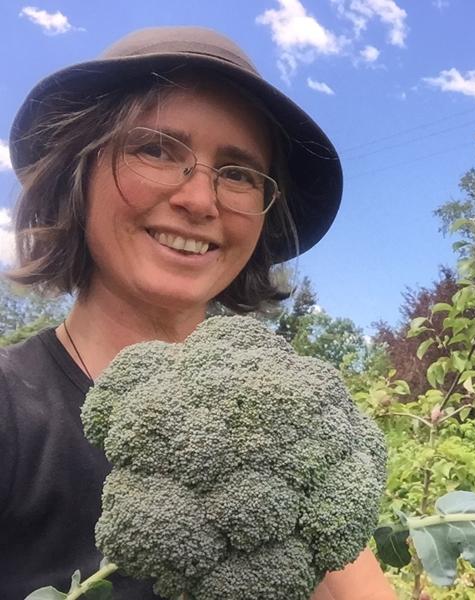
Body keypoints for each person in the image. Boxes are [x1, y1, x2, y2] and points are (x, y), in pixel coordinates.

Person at [0, 26, 396, 599]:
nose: (199, 200)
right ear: (76, 172)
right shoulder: (12, 412)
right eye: (156, 149)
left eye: (237, 173)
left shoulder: (289, 419)